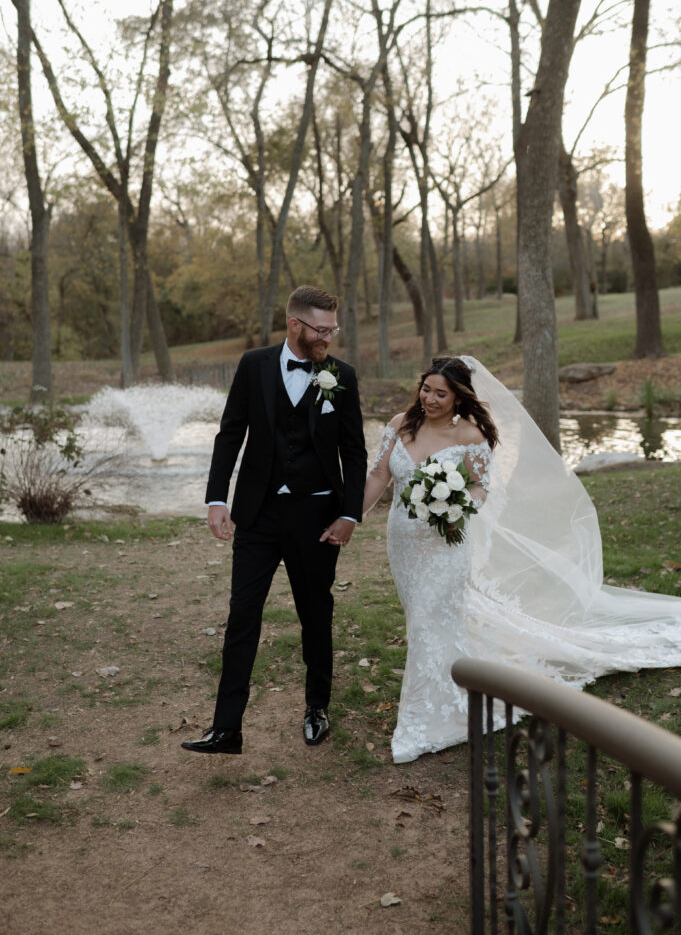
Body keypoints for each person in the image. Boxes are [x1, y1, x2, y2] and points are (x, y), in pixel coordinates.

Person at [363, 355, 681, 765]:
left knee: (429, 619)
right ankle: (453, 680)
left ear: (460, 398)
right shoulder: (399, 425)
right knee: (425, 619)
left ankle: (426, 717)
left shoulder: (472, 436)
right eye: (426, 388)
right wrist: (349, 517)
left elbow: (479, 488)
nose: (430, 398)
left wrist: (454, 507)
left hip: (447, 545)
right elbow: (377, 477)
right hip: (404, 546)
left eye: (441, 393)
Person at [182, 286, 367, 755]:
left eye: (332, 330)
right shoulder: (254, 365)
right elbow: (230, 435)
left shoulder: (341, 375)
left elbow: (354, 451)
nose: (328, 338)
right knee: (242, 614)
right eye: (320, 330)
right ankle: (226, 728)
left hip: (317, 517)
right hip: (258, 515)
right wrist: (215, 499)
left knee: (314, 614)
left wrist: (349, 514)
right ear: (294, 326)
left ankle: (317, 708)